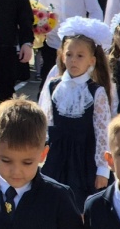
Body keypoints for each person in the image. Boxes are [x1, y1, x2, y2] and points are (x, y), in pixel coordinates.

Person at [0, 99, 83, 229]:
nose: (16, 171)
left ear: (43, 154)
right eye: (6, 161)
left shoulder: (59, 197)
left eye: (27, 162)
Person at [38, 17, 113, 208]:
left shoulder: (96, 92)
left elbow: (103, 132)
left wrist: (102, 170)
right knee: (52, 205)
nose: (73, 60)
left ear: (92, 60)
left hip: (85, 160)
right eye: (69, 54)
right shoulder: (54, 86)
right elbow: (45, 121)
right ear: (62, 56)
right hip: (57, 157)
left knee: (80, 208)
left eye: (80, 56)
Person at [36, 0, 104, 83]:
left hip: (77, 41)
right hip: (53, 42)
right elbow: (42, 12)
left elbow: (95, 10)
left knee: (78, 78)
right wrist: (40, 30)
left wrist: (91, 33)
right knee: (50, 79)